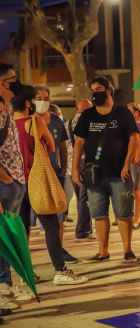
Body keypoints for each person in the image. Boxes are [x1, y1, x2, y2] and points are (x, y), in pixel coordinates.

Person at [13, 85, 87, 285]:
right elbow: (52, 146)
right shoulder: (35, 122)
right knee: (51, 225)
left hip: (16, 183)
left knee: (23, 228)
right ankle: (60, 270)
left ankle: (24, 273)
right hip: (36, 180)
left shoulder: (9, 123)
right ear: (28, 103)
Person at [73, 76, 139, 263]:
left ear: (109, 90)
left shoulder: (123, 113)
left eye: (99, 89)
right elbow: (79, 142)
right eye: (92, 89)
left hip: (120, 173)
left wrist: (127, 164)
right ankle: (103, 251)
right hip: (94, 174)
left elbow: (134, 138)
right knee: (99, 214)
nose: (95, 93)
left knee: (124, 213)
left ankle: (128, 250)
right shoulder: (87, 115)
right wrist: (74, 168)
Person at [33, 85, 78, 263]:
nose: (43, 101)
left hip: (54, 174)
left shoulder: (57, 121)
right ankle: (26, 262)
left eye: (46, 98)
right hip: (33, 176)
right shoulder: (29, 121)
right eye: (39, 98)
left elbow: (62, 147)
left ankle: (59, 254)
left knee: (58, 217)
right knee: (28, 222)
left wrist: (64, 168)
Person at [0, 95, 34, 306]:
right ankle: (3, 285)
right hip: (6, 183)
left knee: (9, 235)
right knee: (3, 236)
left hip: (15, 182)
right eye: (7, 83)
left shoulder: (6, 116)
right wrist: (5, 178)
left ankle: (5, 283)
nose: (10, 88)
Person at [67, 99, 95, 242]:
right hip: (85, 163)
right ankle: (83, 231)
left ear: (78, 108)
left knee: (80, 199)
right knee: (85, 199)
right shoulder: (88, 122)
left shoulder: (68, 123)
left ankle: (85, 228)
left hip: (72, 165)